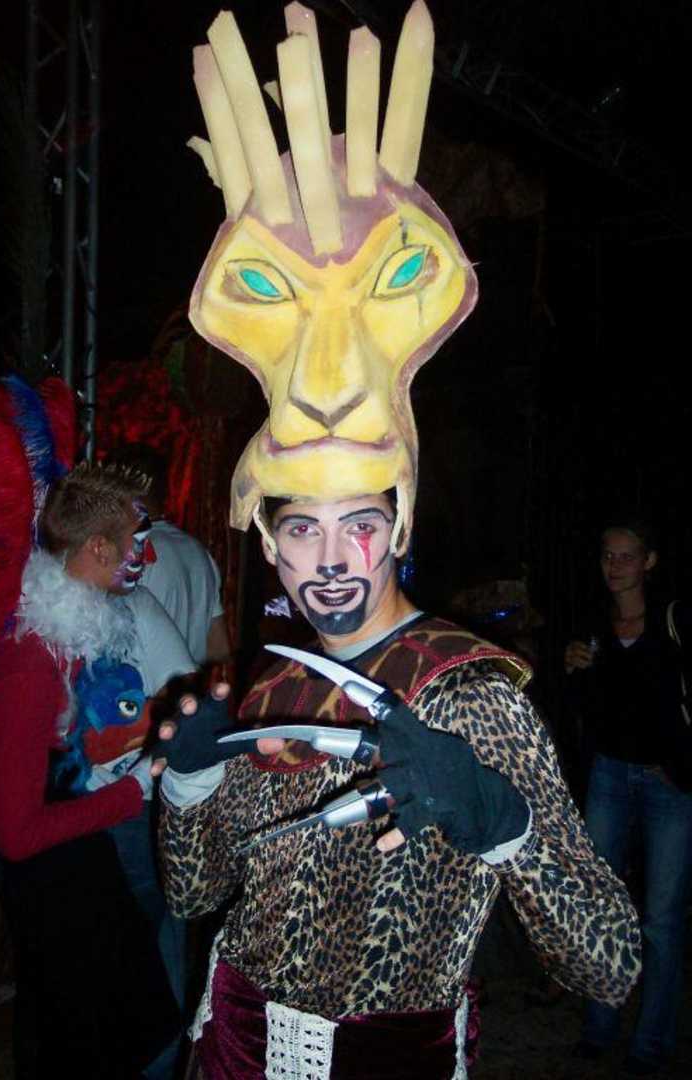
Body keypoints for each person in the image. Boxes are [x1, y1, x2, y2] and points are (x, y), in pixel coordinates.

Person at [154, 5, 641, 1075]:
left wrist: (501, 820)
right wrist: (185, 784)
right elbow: (193, 895)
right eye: (303, 529)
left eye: (361, 525)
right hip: (231, 1053)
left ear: (401, 525)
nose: (332, 559)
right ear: (268, 544)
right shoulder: (271, 687)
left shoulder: (469, 697)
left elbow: (611, 962)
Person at [0, 457, 195, 1078]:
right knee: (96, 1035)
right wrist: (132, 791)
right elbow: (17, 835)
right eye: (138, 542)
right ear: (98, 548)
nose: (148, 556)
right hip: (52, 876)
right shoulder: (31, 658)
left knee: (99, 1025)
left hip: (73, 857)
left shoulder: (64, 632)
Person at [565, 522, 692, 1076]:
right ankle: (599, 1026)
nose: (615, 565)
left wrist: (681, 763)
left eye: (626, 556)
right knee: (603, 906)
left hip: (669, 785)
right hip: (610, 777)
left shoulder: (674, 621)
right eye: (607, 555)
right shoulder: (594, 625)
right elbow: (589, 706)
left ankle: (650, 1043)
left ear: (649, 561)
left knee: (661, 919)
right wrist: (573, 669)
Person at [103, 443, 230, 665]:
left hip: (138, 685)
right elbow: (219, 648)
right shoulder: (199, 552)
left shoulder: (129, 552)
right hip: (186, 685)